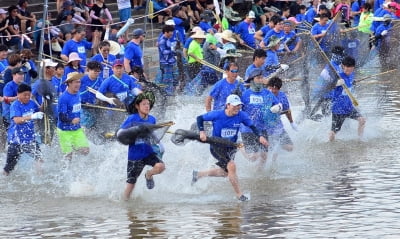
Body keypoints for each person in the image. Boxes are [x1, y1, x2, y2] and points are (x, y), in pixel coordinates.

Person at [192, 94, 268, 201]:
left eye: (239, 106)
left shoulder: (241, 115)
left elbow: (252, 126)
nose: (237, 108)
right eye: (235, 106)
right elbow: (199, 118)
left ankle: (198, 175)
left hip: (231, 147)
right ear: (227, 105)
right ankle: (239, 195)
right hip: (217, 146)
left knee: (225, 172)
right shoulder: (217, 114)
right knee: (231, 165)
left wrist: (260, 136)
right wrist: (202, 132)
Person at [117, 92, 165, 200]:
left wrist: (160, 144)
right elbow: (121, 133)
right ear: (137, 106)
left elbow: (152, 135)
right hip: (135, 156)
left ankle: (148, 175)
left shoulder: (152, 119)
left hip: (148, 152)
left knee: (160, 167)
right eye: (144, 104)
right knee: (131, 185)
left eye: (148, 104)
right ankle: (125, 205)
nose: (147, 106)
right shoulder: (132, 119)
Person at [240, 71, 281, 164]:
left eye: (261, 78)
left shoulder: (267, 93)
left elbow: (279, 105)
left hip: (262, 128)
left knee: (264, 156)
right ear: (252, 80)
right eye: (258, 78)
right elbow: (238, 110)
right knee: (253, 157)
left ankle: (259, 175)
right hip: (248, 129)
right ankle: (239, 146)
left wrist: (277, 108)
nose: (261, 80)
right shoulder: (245, 94)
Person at [3, 84, 44, 176]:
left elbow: (39, 110)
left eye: (29, 95)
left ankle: (40, 177)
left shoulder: (32, 103)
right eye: (24, 95)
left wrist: (45, 102)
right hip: (15, 140)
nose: (27, 97)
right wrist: (32, 116)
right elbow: (17, 120)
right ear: (18, 94)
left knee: (39, 158)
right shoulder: (15, 105)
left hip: (29, 138)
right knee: (9, 167)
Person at [329, 56, 366, 141]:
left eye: (350, 70)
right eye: (346, 70)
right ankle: (330, 146)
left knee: (362, 120)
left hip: (349, 107)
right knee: (333, 132)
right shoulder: (338, 75)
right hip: (338, 110)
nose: (348, 72)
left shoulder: (351, 74)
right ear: (342, 66)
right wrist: (336, 83)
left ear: (353, 68)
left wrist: (352, 82)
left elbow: (349, 83)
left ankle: (360, 140)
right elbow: (329, 86)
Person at [57, 72, 90, 160]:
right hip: (64, 131)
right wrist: (71, 120)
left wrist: (84, 103)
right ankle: (64, 172)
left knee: (86, 151)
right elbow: (61, 117)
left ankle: (74, 148)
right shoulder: (64, 98)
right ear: (69, 83)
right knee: (68, 157)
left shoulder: (78, 93)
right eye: (75, 82)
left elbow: (76, 103)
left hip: (76, 128)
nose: (78, 84)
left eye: (79, 82)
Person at [266, 77, 296, 159]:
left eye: (275, 89)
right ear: (268, 87)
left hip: (278, 126)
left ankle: (277, 147)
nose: (272, 90)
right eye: (271, 88)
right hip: (266, 128)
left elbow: (287, 111)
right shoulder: (263, 94)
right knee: (273, 153)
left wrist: (292, 123)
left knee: (290, 147)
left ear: (279, 89)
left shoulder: (282, 96)